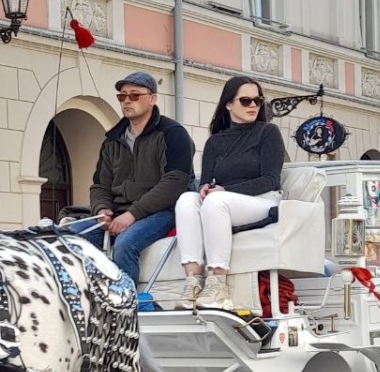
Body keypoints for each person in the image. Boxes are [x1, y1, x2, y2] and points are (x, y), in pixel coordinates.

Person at [175, 75, 286, 311]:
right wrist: (205, 189)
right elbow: (205, 183)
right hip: (225, 201)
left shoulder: (268, 132)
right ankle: (193, 281)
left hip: (262, 200)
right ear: (228, 104)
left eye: (258, 101)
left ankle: (218, 285)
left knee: (215, 202)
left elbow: (270, 179)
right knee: (186, 200)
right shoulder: (215, 141)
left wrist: (222, 190)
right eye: (246, 101)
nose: (254, 106)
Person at [75, 71, 193, 286]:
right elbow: (100, 185)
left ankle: (128, 308)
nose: (127, 100)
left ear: (153, 99)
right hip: (120, 213)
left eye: (135, 95)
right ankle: (88, 301)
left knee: (125, 243)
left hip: (163, 212)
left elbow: (175, 181)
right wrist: (101, 210)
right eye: (122, 96)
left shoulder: (173, 133)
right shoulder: (111, 141)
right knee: (69, 238)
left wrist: (131, 215)